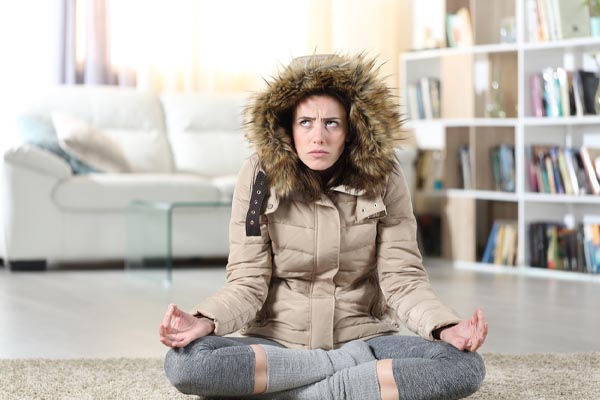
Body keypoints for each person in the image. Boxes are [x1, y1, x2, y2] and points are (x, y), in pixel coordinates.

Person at [160, 54, 488, 400]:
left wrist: (446, 327)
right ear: (288, 127)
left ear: (350, 131)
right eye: (305, 122)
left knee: (464, 367)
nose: (318, 136)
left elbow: (402, 278)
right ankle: (350, 379)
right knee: (186, 364)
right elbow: (247, 280)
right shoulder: (259, 175)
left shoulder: (385, 176)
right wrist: (205, 321)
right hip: (278, 343)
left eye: (332, 123)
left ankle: (284, 389)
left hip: (365, 338)